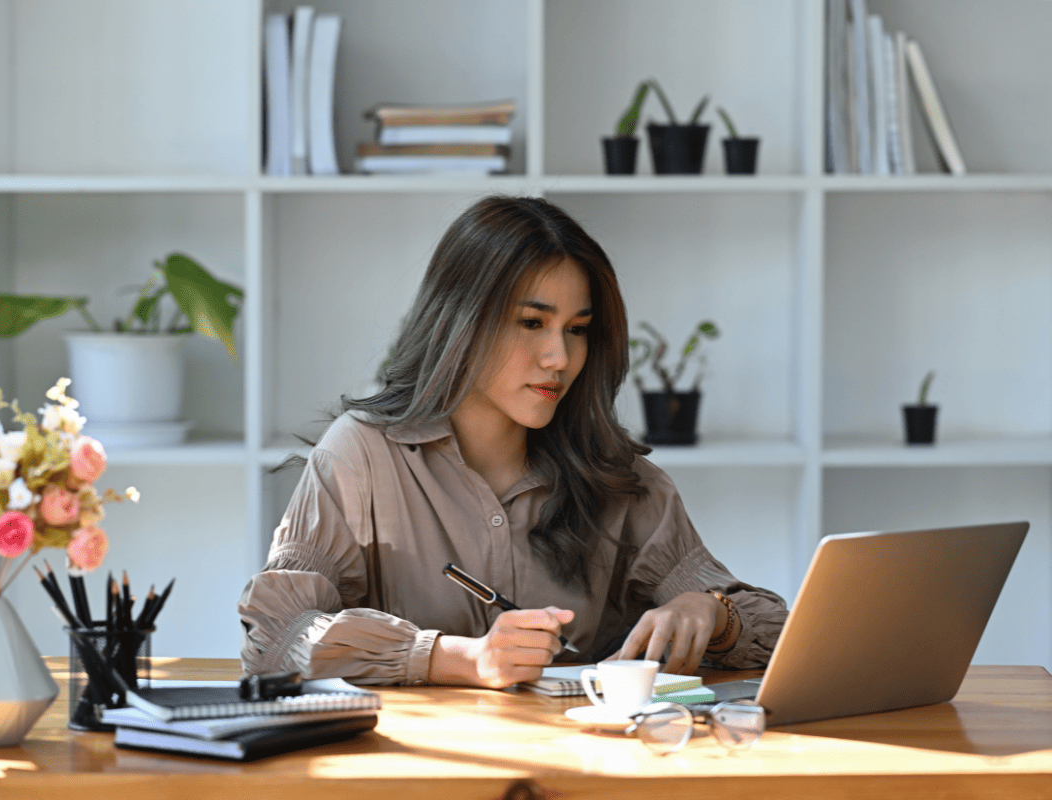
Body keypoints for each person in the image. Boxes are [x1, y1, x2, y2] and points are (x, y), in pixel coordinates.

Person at [238, 195, 788, 688]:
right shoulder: (361, 456)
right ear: (462, 321)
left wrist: (711, 611)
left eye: (576, 330)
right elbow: (278, 637)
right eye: (532, 323)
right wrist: (456, 657)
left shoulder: (616, 474)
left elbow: (784, 634)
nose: (560, 358)